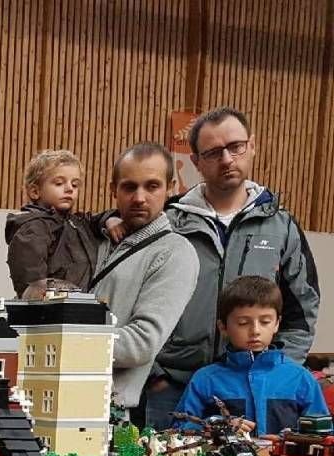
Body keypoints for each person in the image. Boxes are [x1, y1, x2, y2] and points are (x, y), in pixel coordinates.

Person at [149, 106, 322, 426]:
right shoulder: (168, 223)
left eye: (235, 147)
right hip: (172, 385)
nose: (227, 159)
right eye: (213, 152)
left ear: (252, 146)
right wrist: (155, 372)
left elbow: (302, 307)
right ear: (196, 161)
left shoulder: (281, 225)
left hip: (256, 389)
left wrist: (278, 370)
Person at [90, 143, 198, 418]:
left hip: (106, 410)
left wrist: (67, 341)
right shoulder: (96, 238)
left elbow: (141, 343)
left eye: (152, 186)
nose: (139, 198)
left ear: (170, 188)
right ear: (113, 189)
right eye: (129, 187)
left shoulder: (175, 253)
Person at [175, 276, 327, 436]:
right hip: (223, 453)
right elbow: (179, 428)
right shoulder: (206, 379)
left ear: (277, 323)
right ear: (223, 327)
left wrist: (287, 438)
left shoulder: (300, 378)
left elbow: (323, 433)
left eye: (265, 322)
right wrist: (218, 427)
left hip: (282, 453)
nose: (255, 330)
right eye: (243, 323)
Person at [5, 150, 111, 297]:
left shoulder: (77, 223)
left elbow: (95, 219)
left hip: (79, 304)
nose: (69, 189)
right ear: (35, 192)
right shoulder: (33, 229)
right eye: (59, 183)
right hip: (52, 308)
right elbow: (33, 285)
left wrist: (110, 219)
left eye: (75, 185)